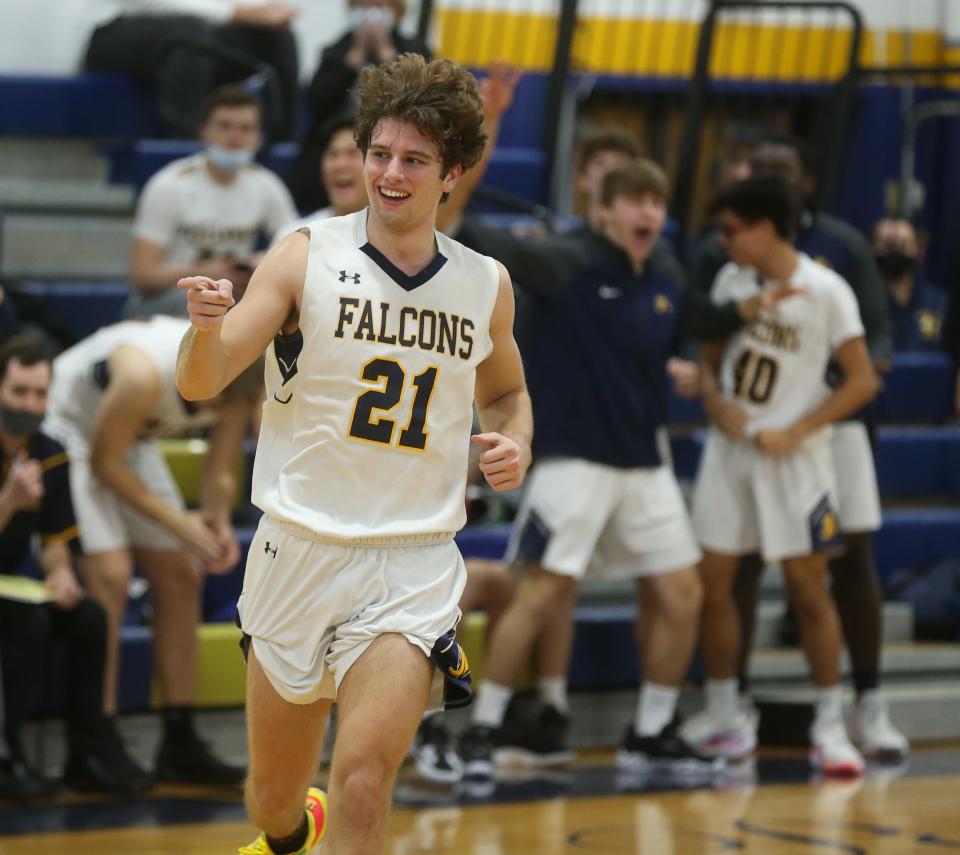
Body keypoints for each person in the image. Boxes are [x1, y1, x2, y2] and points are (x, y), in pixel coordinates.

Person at [176, 53, 531, 855]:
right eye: (380, 154)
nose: (390, 173)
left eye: (413, 160)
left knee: (366, 778)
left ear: (453, 174)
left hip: (411, 560)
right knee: (271, 799)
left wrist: (516, 440)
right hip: (297, 544)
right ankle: (292, 836)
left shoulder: (485, 284)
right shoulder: (306, 254)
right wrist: (203, 329)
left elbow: (508, 392)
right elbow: (205, 379)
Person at [459, 160, 724, 779]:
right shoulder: (566, 259)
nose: (648, 213)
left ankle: (651, 729)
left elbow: (702, 320)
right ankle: (485, 728)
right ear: (603, 210)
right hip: (573, 456)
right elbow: (476, 232)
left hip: (643, 461)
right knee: (541, 591)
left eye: (656, 201)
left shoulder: (662, 271)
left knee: (683, 592)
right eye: (634, 200)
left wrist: (756, 308)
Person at [691, 137, 907, 761]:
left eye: (732, 228)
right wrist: (715, 403)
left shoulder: (827, 289)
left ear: (764, 229)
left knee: (812, 591)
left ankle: (829, 722)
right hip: (731, 454)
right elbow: (708, 360)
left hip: (798, 459)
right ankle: (727, 711)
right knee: (716, 585)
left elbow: (864, 380)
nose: (722, 239)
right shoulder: (732, 278)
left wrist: (799, 429)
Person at [43, 316, 261, 786]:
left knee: (183, 572)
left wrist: (215, 519)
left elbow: (222, 467)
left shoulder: (242, 380)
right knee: (113, 576)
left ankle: (178, 737)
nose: (216, 408)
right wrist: (179, 522)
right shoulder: (144, 371)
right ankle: (94, 740)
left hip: (132, 439)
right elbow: (103, 464)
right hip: (74, 433)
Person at [0, 337, 151, 799]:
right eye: (19, 392)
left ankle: (85, 754)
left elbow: (55, 543)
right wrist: (9, 500)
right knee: (25, 621)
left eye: (39, 394)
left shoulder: (51, 452)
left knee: (89, 616)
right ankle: (9, 756)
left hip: (11, 584)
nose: (30, 404)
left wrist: (61, 574)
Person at [127, 85, 298, 321]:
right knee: (228, 307)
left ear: (259, 138)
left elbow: (297, 249)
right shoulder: (169, 185)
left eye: (245, 128)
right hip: (168, 301)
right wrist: (208, 272)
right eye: (225, 126)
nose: (235, 137)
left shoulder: (267, 185)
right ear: (204, 131)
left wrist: (261, 262)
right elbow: (143, 276)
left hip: (230, 298)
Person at [83, 0, 301, 139]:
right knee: (190, 31)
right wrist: (238, 12)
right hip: (113, 30)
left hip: (199, 28)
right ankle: (186, 153)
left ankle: (285, 150)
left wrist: (268, 12)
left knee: (277, 38)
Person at [873, 218, 947, 351]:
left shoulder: (939, 302)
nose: (894, 254)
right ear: (873, 249)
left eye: (902, 246)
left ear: (917, 250)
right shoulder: (862, 303)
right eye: (888, 246)